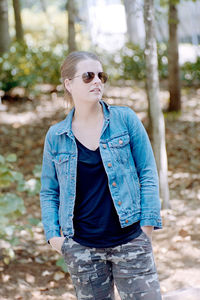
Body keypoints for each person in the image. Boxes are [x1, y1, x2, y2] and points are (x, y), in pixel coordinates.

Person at [40, 51, 162, 300]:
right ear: (68, 84)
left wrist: (145, 229)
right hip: (82, 247)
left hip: (130, 240)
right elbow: (49, 191)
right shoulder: (56, 136)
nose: (97, 81)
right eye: (88, 76)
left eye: (100, 75)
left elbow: (148, 172)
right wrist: (55, 237)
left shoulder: (125, 119)